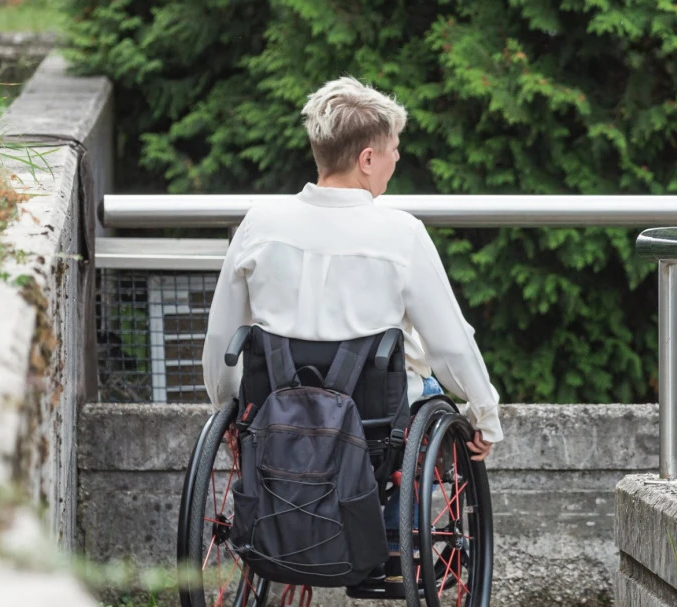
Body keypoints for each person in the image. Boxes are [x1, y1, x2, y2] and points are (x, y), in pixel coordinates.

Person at [201, 76, 503, 463]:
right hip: (374, 428)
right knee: (427, 389)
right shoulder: (402, 234)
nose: (397, 158)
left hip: (274, 419)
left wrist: (227, 409)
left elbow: (221, 335)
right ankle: (396, 523)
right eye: (393, 149)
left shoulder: (258, 225)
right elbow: (451, 344)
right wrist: (485, 414)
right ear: (367, 159)